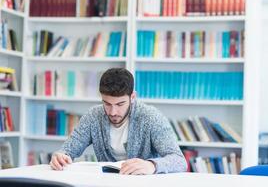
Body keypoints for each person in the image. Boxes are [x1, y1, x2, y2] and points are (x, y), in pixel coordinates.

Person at [49, 68, 187, 174]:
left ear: (132, 97)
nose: (113, 112)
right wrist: (61, 156)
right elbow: (67, 150)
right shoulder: (93, 116)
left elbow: (179, 161)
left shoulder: (151, 117)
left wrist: (152, 165)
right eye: (107, 104)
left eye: (120, 104)